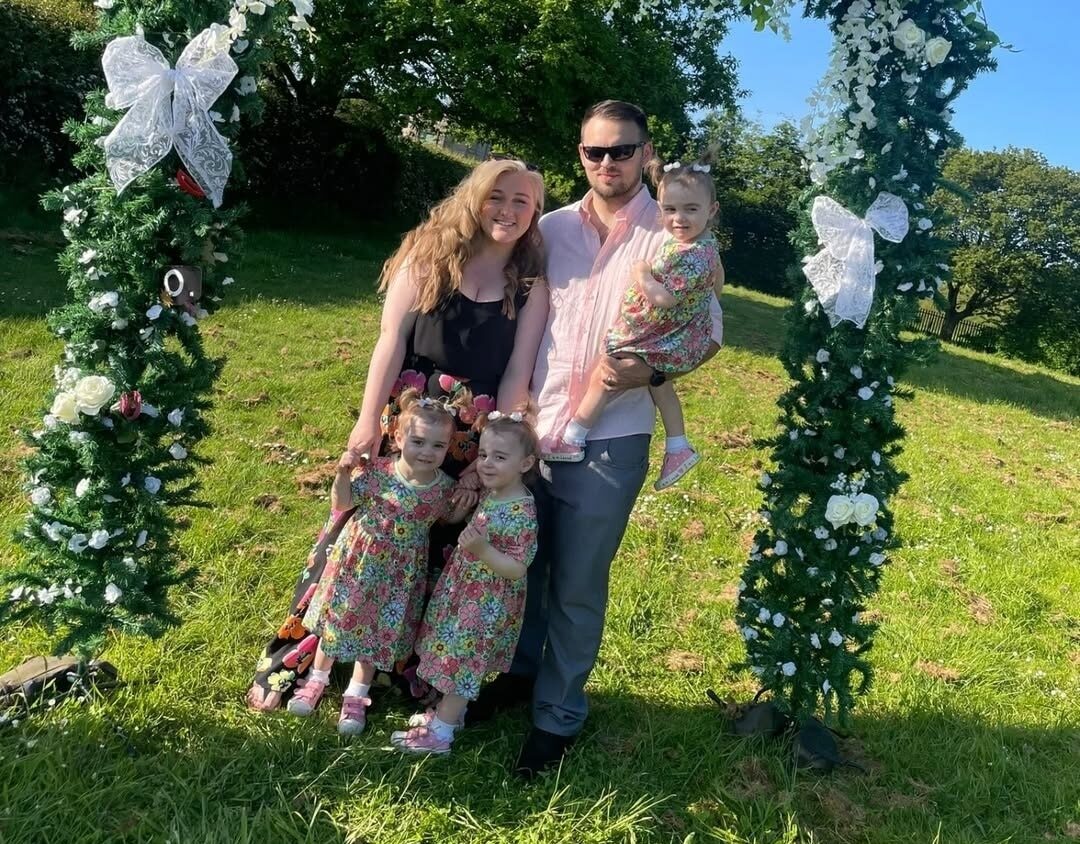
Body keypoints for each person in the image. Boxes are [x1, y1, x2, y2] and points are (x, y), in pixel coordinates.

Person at [466, 100, 724, 778]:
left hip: (613, 435)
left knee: (577, 581)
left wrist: (657, 369)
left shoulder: (673, 231)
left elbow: (713, 329)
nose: (606, 163)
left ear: (646, 153)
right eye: (593, 152)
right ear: (579, 155)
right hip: (537, 427)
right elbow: (522, 314)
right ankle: (521, 676)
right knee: (531, 561)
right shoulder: (551, 229)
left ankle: (558, 716)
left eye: (621, 150)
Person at [246, 159, 549, 711]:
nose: (507, 211)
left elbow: (515, 375)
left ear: (534, 214)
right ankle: (318, 651)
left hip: (470, 437)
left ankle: (400, 670)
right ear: (474, 199)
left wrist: (495, 456)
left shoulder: (528, 286)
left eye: (522, 202)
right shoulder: (428, 254)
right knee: (364, 532)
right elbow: (390, 340)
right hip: (409, 418)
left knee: (437, 543)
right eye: (496, 197)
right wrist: (367, 421)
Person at [286, 392, 476, 734]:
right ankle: (317, 680)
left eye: (437, 446)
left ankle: (356, 697)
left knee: (378, 633)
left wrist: (462, 506)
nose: (427, 452)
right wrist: (342, 473)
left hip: (400, 575)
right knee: (339, 618)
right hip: (357, 562)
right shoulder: (377, 472)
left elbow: (447, 519)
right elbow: (343, 502)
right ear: (398, 437)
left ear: (448, 447)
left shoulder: (443, 487)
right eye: (418, 441)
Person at [542, 154, 724, 491]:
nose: (678, 218)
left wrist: (642, 274)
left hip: (660, 337)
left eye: (690, 210)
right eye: (670, 210)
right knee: (660, 386)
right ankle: (677, 446)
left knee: (605, 373)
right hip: (676, 337)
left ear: (711, 210)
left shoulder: (687, 253)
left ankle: (573, 435)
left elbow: (665, 299)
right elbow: (719, 281)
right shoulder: (705, 245)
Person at [390, 412, 540, 755]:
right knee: (453, 654)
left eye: (499, 457)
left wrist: (482, 549)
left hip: (486, 604)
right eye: (484, 455)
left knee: (463, 662)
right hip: (467, 595)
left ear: (526, 463)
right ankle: (448, 716)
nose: (487, 463)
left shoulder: (521, 509)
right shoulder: (496, 492)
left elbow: (517, 567)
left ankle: (440, 736)